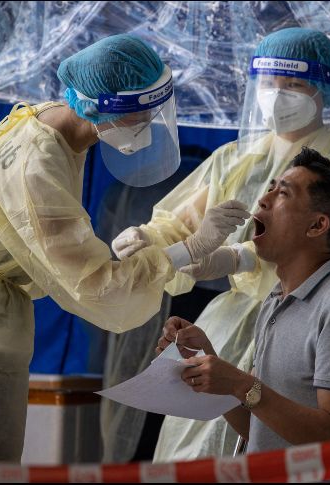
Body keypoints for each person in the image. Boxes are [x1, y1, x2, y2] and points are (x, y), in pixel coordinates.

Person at [0, 34, 249, 462]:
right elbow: (98, 286)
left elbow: (62, 246)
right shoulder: (36, 162)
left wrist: (138, 248)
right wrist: (191, 247)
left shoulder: (52, 128)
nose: (151, 123)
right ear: (104, 107)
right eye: (144, 113)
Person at [111, 28, 330, 462]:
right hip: (230, 319)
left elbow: (327, 246)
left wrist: (236, 256)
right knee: (191, 450)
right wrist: (151, 240)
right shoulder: (237, 157)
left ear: (324, 90)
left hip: (295, 314)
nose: (278, 96)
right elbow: (181, 223)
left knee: (246, 448)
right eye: (270, 85)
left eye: (294, 85)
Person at [157, 148, 330, 482]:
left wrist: (238, 381)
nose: (263, 199)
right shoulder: (276, 300)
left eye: (283, 193)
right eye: (272, 187)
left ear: (318, 225)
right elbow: (257, 427)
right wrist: (209, 368)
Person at [97, 146, 227, 463]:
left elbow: (103, 271)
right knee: (189, 417)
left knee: (143, 417)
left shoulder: (128, 188)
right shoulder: (221, 174)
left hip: (146, 305)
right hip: (206, 304)